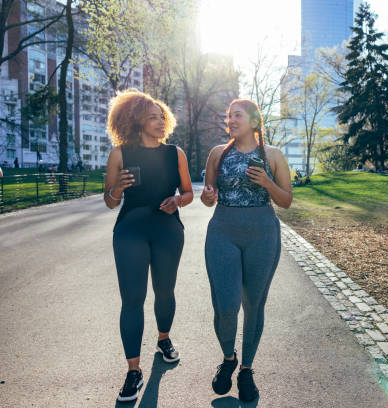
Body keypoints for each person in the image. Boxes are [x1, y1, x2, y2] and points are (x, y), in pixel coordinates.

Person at [103, 89, 193, 402]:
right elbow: (110, 201)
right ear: (136, 121)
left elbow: (188, 193)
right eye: (151, 117)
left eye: (161, 116)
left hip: (168, 229)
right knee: (132, 299)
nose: (159, 121)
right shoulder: (119, 154)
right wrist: (117, 187)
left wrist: (177, 200)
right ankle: (133, 371)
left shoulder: (175, 153)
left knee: (165, 291)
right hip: (130, 230)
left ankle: (164, 339)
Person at [200, 99, 292, 402]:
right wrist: (208, 195)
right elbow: (207, 198)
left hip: (262, 233)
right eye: (229, 115)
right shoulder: (217, 154)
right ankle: (228, 358)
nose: (231, 120)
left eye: (237, 115)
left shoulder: (274, 155)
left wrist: (266, 181)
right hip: (223, 230)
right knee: (225, 306)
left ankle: (247, 369)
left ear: (254, 122)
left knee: (254, 304)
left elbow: (286, 201)